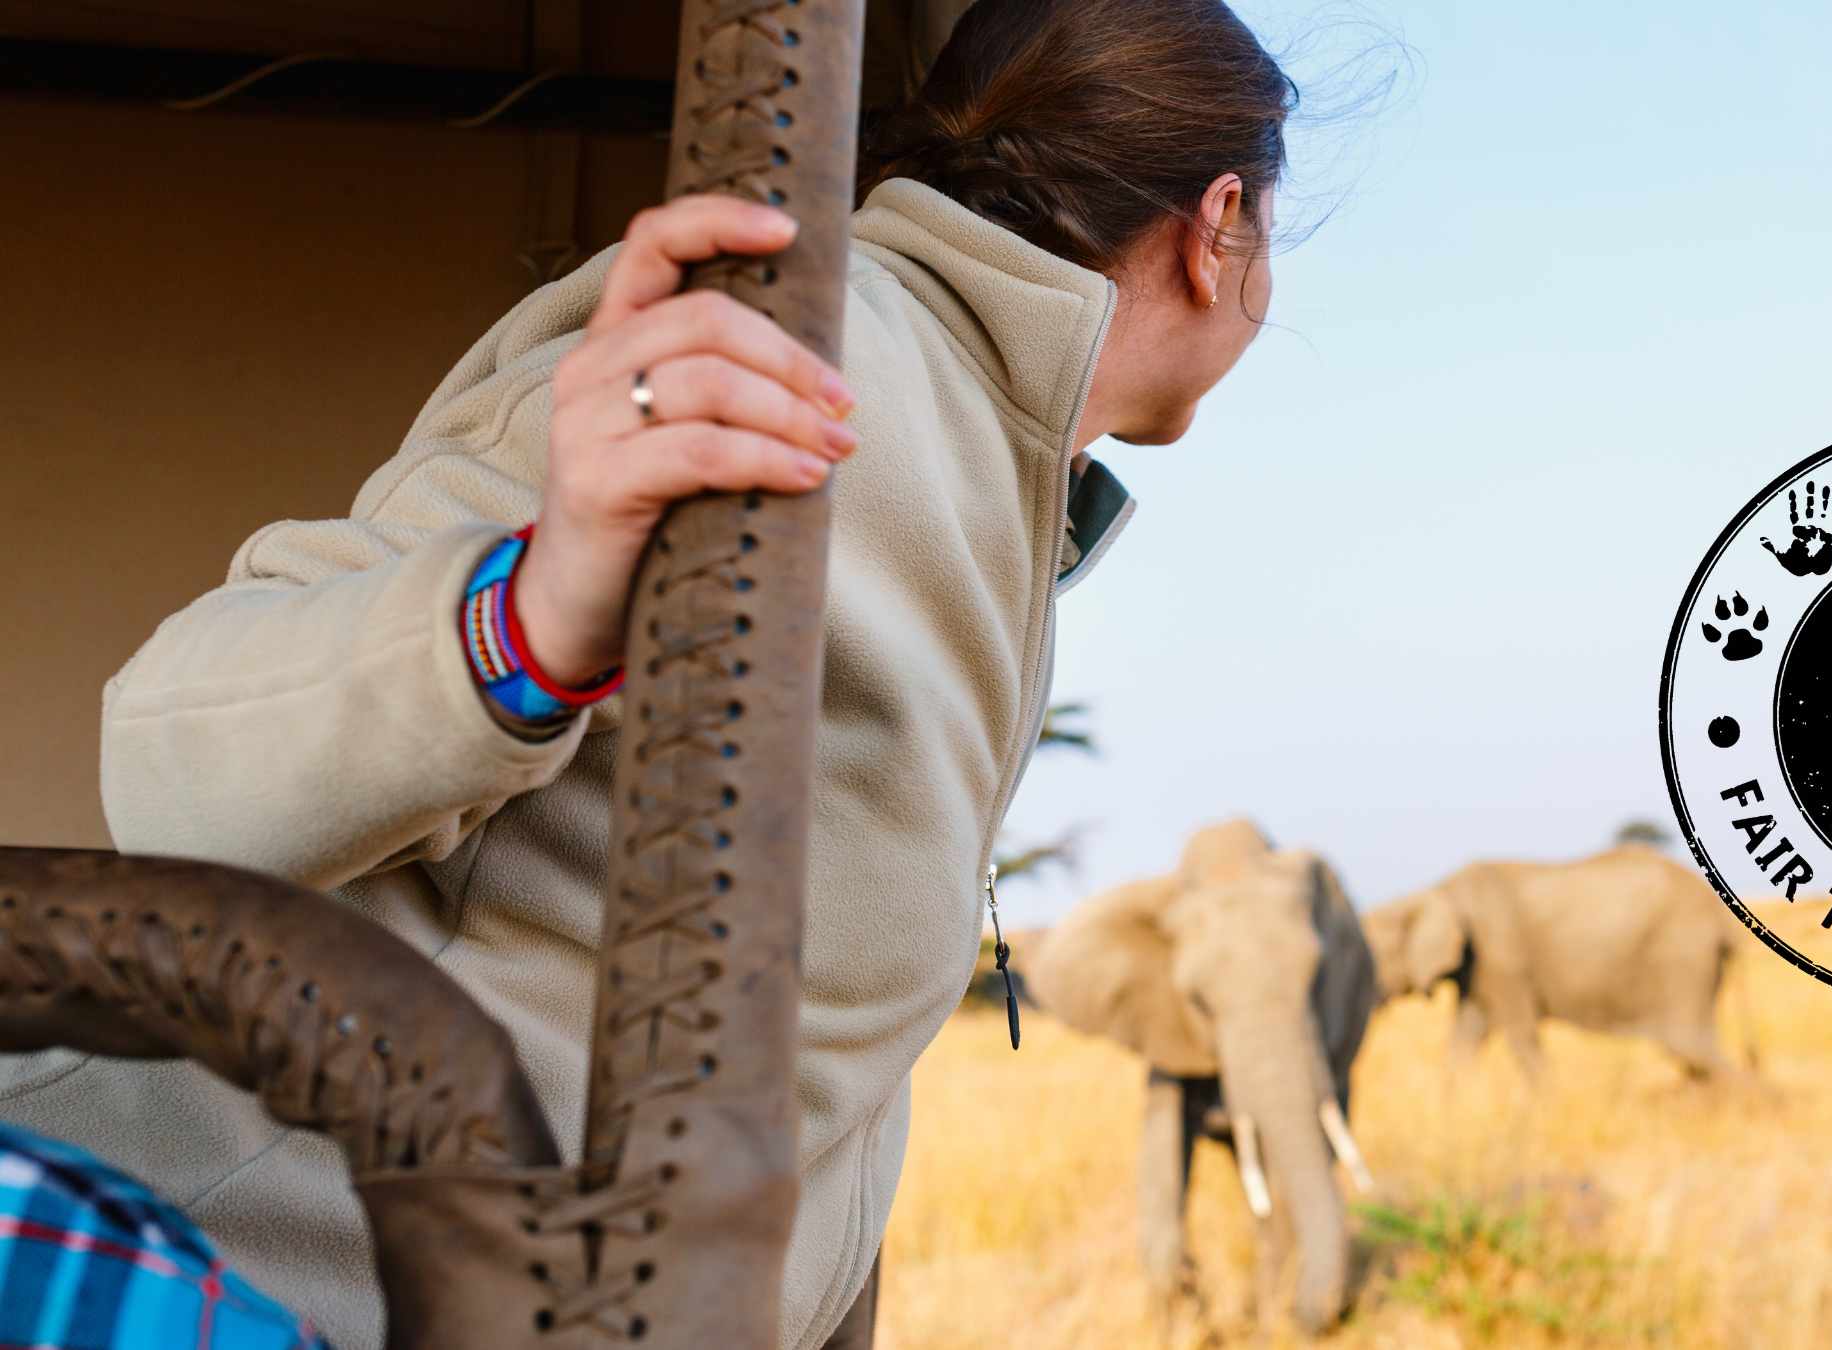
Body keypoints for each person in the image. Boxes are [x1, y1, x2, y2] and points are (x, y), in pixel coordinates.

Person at [0, 0, 1293, 1344]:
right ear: (1218, 229)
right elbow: (166, 755)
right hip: (225, 1280)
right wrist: (531, 611)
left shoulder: (999, 477)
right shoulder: (775, 358)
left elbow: (811, 1081)